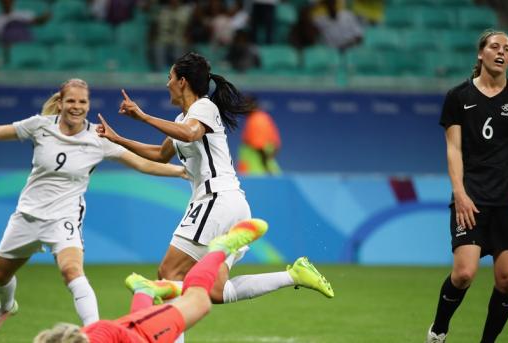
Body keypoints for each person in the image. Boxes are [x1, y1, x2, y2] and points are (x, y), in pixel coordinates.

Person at [0, 78, 187, 337]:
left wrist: (178, 172)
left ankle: (95, 333)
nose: (77, 107)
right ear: (60, 103)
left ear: (89, 105)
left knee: (72, 271)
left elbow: (140, 162)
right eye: (71, 101)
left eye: (82, 102)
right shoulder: (40, 126)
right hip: (28, 216)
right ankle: (7, 307)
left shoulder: (99, 138)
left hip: (65, 218)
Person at [96, 53, 333, 341]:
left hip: (215, 200)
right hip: (229, 203)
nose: (167, 83)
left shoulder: (204, 108)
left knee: (169, 272)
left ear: (182, 82)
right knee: (215, 290)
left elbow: (191, 134)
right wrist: (117, 138)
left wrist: (143, 116)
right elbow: (160, 154)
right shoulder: (183, 117)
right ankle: (294, 275)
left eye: (170, 78)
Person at [33, 218, 273, 343]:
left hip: (142, 334)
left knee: (200, 301)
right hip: (129, 331)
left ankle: (220, 248)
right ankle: (143, 290)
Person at [425, 30, 508, 343]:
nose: (502, 52)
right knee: (464, 273)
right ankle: (438, 330)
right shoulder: (459, 96)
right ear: (481, 53)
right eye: (495, 46)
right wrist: (460, 193)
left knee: (507, 281)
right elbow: (453, 149)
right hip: (472, 199)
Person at [236, 97, 281, 175]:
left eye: (245, 105)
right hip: (259, 167)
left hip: (256, 170)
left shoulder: (257, 120)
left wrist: (266, 167)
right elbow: (275, 145)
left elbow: (259, 146)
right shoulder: (262, 117)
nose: (243, 109)